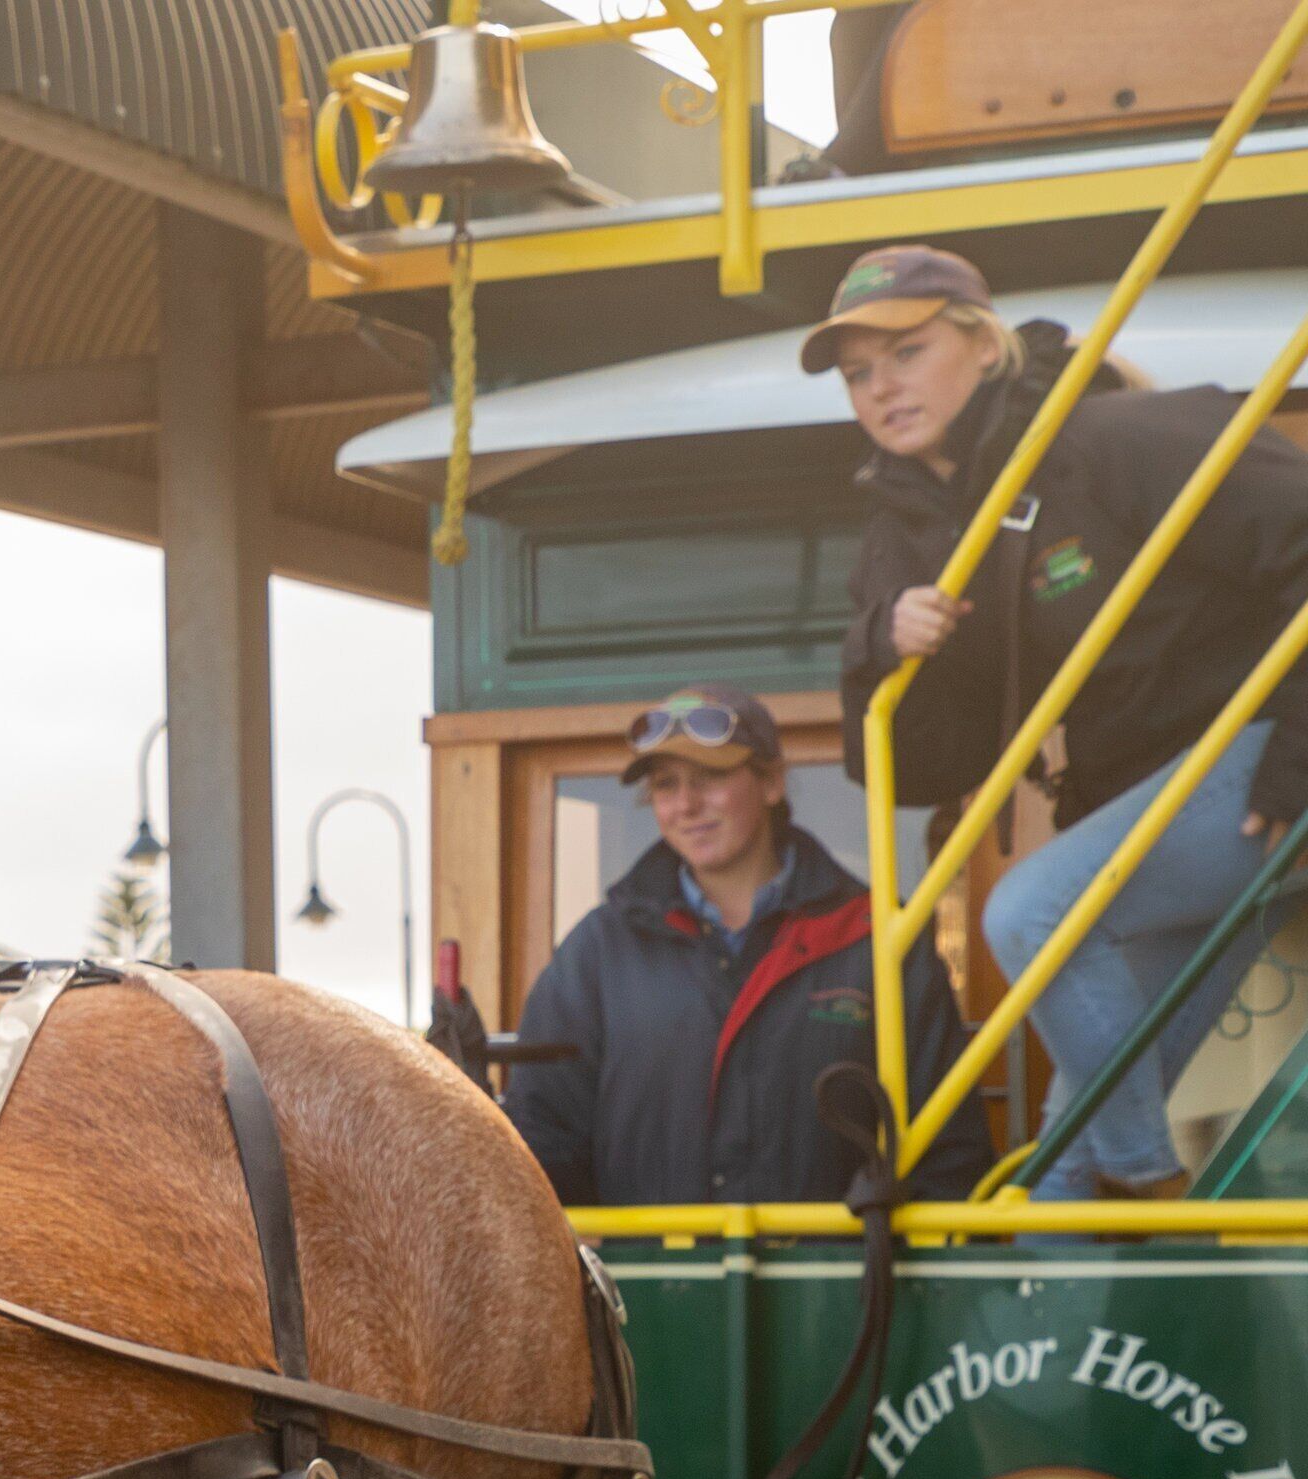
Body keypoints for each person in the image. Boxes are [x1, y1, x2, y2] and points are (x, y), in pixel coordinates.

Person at [821, 244, 1308, 1199]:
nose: (881, 388)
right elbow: (919, 765)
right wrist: (882, 642)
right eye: (856, 373)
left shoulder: (1122, 438)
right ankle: (1051, 1336)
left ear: (984, 346)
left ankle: (1147, 1186)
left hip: (1262, 782)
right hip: (1151, 818)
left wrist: (1296, 757)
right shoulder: (912, 530)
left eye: (906, 353)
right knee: (1056, 1174)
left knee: (1032, 913)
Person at [508, 685, 990, 1207]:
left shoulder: (879, 935)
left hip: (832, 1286)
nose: (686, 805)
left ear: (772, 782)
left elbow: (949, 1149)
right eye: (666, 785)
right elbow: (540, 1135)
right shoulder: (598, 950)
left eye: (711, 777)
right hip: (647, 1283)